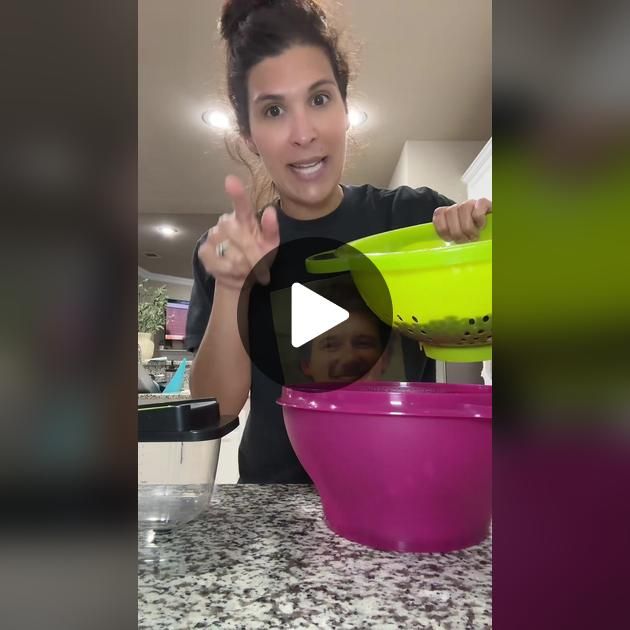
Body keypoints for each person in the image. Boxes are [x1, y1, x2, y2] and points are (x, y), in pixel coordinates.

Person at [186, 0, 491, 483]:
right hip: (276, 512)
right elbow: (215, 412)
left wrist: (479, 247)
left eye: (320, 99)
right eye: (273, 110)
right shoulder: (228, 249)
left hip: (401, 491)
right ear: (248, 134)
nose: (303, 133)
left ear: (346, 108)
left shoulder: (413, 219)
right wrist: (232, 286)